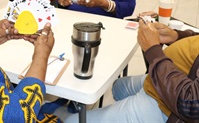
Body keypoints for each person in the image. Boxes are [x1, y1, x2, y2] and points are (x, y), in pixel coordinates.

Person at [57, 20, 199, 122]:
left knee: (71, 121)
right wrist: (177, 36)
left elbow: (190, 105)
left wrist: (153, 50)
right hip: (165, 78)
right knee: (118, 87)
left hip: (168, 104)